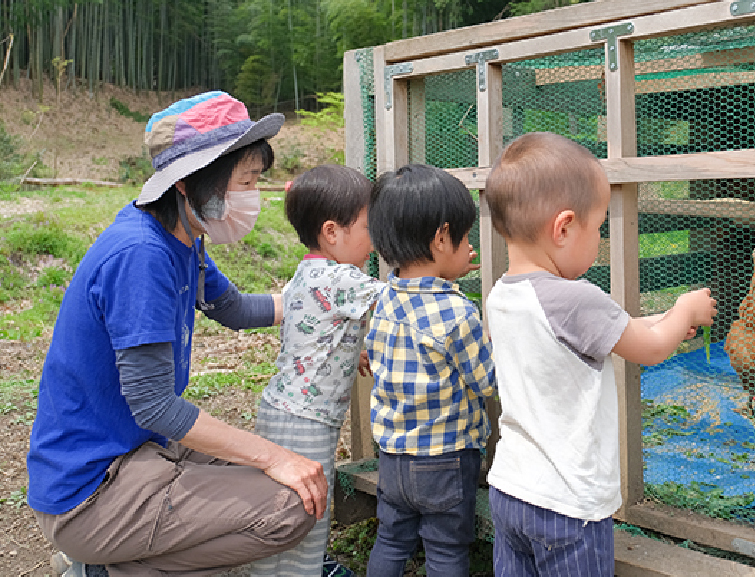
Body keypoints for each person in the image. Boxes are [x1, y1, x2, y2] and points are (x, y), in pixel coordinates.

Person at [26, 91, 329, 577]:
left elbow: (233, 309)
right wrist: (274, 457)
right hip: (91, 489)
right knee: (289, 508)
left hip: (140, 448)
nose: (252, 196)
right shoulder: (141, 255)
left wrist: (320, 307)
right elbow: (154, 405)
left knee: (283, 479)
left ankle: (108, 553)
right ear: (187, 183)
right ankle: (100, 567)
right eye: (245, 182)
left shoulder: (182, 237)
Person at [483, 132, 717, 576]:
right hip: (568, 506)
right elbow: (648, 348)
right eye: (599, 227)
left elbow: (612, 331)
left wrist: (665, 318)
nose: (599, 237)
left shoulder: (502, 295)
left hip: (511, 489)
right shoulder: (576, 299)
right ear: (564, 228)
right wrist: (685, 309)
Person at [249, 165, 383, 577]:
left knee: (281, 508)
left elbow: (313, 329)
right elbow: (400, 300)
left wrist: (352, 349)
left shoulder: (306, 272)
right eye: (369, 227)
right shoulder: (342, 277)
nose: (376, 239)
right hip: (307, 419)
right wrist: (442, 271)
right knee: (307, 508)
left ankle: (280, 569)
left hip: (283, 411)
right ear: (331, 232)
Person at [364, 164, 496, 577]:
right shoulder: (458, 313)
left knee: (391, 540)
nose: (470, 248)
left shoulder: (384, 299)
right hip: (445, 459)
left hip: (393, 457)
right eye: (465, 238)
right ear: (441, 238)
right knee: (446, 549)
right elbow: (487, 382)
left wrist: (449, 270)